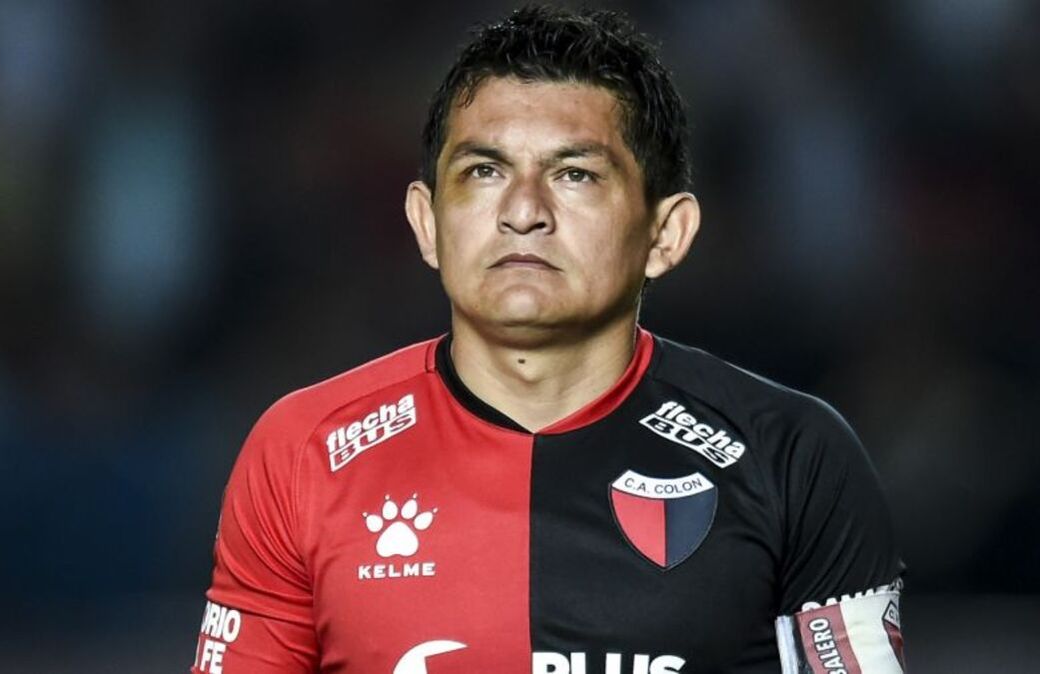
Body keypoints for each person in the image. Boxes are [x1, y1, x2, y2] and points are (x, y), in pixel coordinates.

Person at [190, 6, 905, 673]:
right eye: (484, 171)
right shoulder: (304, 454)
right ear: (427, 223)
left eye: (574, 174)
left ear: (666, 233)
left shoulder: (792, 458)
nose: (524, 211)